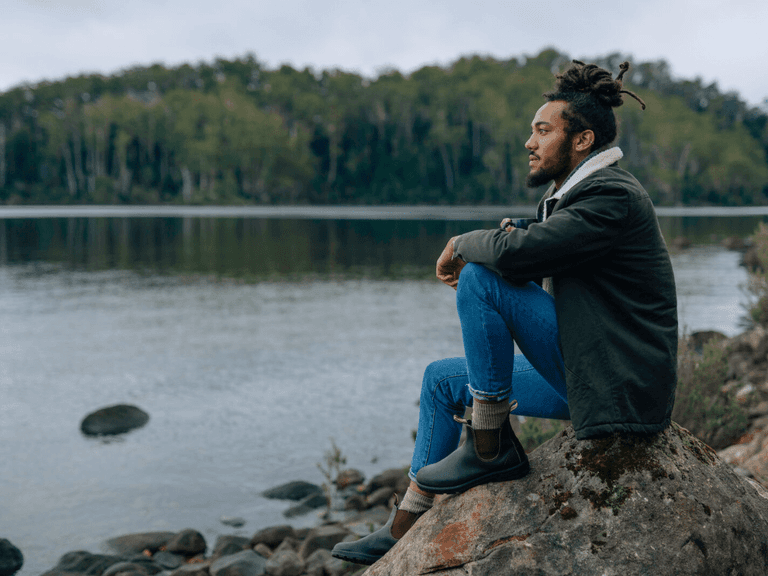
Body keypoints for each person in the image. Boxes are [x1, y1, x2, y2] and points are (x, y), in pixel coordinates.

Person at [332, 60, 678, 566]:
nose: (529, 142)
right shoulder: (580, 199)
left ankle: (490, 444)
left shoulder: (612, 196)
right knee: (441, 380)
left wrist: (463, 242)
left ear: (581, 141)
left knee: (479, 276)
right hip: (590, 371)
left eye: (542, 130)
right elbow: (545, 251)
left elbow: (517, 258)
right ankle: (405, 523)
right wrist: (519, 230)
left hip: (618, 385)